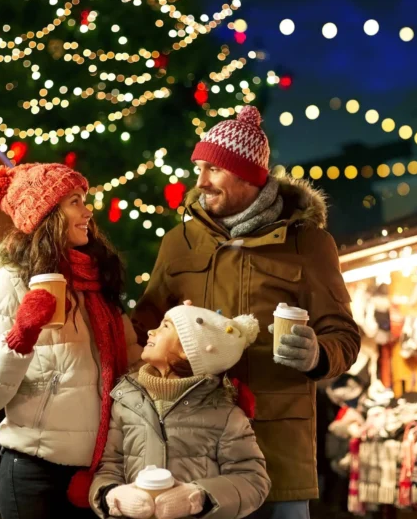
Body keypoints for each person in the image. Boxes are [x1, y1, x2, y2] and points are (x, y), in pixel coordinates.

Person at [132, 106, 361, 519]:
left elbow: (343, 334)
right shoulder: (178, 242)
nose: (200, 182)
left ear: (248, 175)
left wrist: (317, 354)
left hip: (277, 450)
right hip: (195, 452)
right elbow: (142, 330)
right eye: (198, 168)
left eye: (213, 170)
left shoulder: (307, 243)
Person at [0, 162, 141, 519]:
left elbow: (134, 364)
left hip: (100, 475)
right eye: (75, 201)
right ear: (46, 214)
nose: (87, 211)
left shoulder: (98, 280)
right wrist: (22, 337)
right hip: (35, 476)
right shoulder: (8, 284)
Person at [90, 302, 271, 519]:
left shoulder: (225, 415)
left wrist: (198, 497)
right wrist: (112, 496)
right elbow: (110, 467)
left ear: (187, 350)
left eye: (165, 327)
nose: (151, 331)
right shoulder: (125, 401)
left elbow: (252, 479)